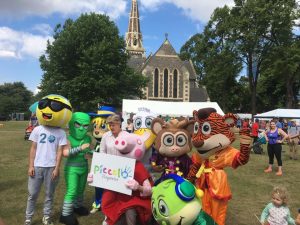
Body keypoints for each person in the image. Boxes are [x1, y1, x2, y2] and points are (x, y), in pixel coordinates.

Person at [24, 94, 72, 225]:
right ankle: (28, 218)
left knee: (49, 195)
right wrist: (30, 166)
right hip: (37, 167)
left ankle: (46, 216)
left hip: (51, 168)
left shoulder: (61, 132)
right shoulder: (37, 129)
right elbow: (33, 148)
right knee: (32, 195)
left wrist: (57, 168)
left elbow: (60, 151)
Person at [59, 112, 92, 225]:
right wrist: (79, 148)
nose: (82, 128)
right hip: (72, 169)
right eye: (78, 125)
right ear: (72, 124)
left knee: (81, 190)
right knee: (72, 191)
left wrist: (89, 153)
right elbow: (65, 153)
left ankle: (77, 207)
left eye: (85, 125)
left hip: (84, 167)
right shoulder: (68, 138)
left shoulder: (87, 138)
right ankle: (65, 214)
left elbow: (87, 151)